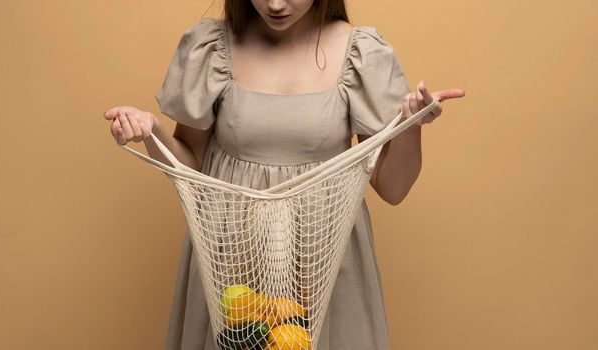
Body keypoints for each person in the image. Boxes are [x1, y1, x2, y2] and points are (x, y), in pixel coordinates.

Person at [104, 1, 465, 349]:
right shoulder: (213, 48)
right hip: (230, 268)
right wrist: (151, 131)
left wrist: (412, 122)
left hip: (325, 265)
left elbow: (393, 187)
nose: (275, 5)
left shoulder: (360, 52)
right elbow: (190, 165)